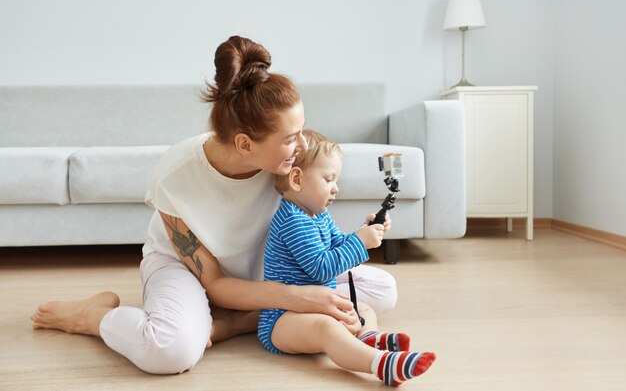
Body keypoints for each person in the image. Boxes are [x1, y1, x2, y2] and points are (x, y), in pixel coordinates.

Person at [30, 36, 398, 375]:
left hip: (263, 269)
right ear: (244, 145)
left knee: (383, 291)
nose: (302, 145)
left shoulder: (289, 168)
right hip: (193, 272)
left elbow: (316, 225)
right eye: (290, 138)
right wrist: (299, 297)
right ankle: (94, 316)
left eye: (302, 130)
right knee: (169, 352)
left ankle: (237, 320)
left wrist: (359, 237)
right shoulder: (175, 175)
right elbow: (217, 281)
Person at [258, 130, 435, 386]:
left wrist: (362, 232)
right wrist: (360, 242)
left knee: (363, 309)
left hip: (318, 305)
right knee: (325, 329)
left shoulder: (317, 215)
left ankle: (369, 337)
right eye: (329, 179)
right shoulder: (292, 221)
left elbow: (338, 245)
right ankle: (379, 364)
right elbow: (321, 268)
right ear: (296, 179)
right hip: (283, 319)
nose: (336, 188)